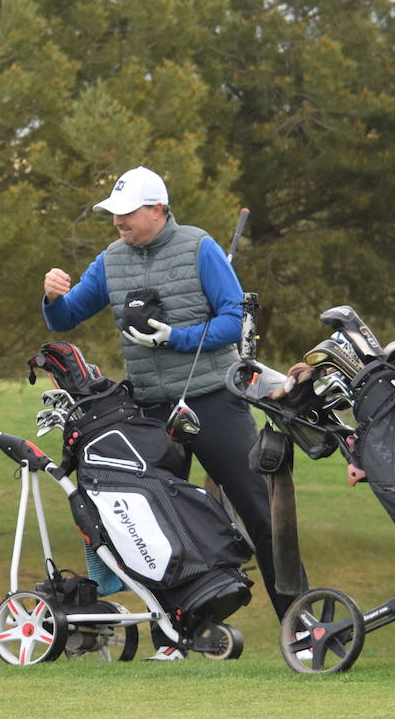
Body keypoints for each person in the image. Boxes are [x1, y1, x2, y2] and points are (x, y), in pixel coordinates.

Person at [41, 165, 299, 660]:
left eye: (127, 213)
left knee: (259, 514)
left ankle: (300, 625)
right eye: (113, 214)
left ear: (158, 209)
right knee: (153, 525)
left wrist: (174, 338)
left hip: (214, 401)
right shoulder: (111, 259)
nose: (118, 222)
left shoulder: (199, 247)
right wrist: (52, 297)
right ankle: (171, 638)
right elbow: (68, 316)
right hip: (150, 411)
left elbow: (233, 317)